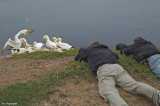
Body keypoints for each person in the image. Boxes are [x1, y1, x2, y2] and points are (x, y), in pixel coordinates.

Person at [75, 41, 160, 106]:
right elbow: (116, 56)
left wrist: (84, 53)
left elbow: (78, 58)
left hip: (104, 69)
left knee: (108, 90)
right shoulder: (107, 50)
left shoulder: (89, 50)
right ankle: (157, 95)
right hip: (117, 67)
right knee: (134, 85)